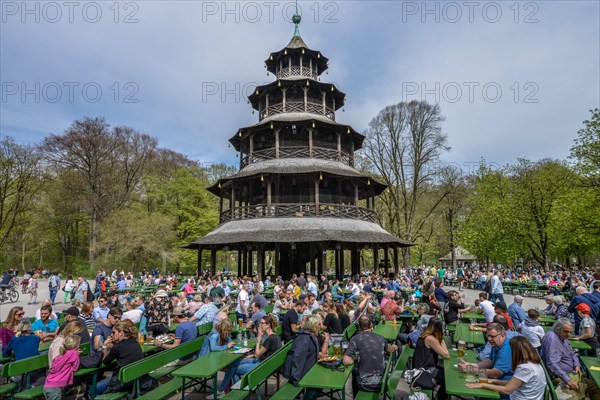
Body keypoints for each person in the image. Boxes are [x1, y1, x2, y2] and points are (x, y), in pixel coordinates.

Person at [466, 336, 546, 400]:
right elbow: (513, 383)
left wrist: (483, 385)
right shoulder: (534, 364)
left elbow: (507, 390)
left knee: (486, 395)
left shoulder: (525, 368)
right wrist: (492, 381)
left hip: (516, 397)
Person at [541, 318, 600, 399]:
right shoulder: (552, 339)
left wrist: (577, 364)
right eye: (566, 331)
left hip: (573, 374)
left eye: (570, 332)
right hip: (561, 377)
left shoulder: (562, 337)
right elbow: (552, 364)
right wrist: (568, 380)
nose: (569, 334)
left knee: (597, 388)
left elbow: (572, 352)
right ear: (558, 329)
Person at [222, 315, 282, 391]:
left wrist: (258, 339)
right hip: (267, 363)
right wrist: (252, 355)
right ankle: (237, 389)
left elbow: (257, 354)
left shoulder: (270, 339)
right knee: (235, 363)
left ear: (268, 325)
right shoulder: (275, 336)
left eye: (262, 323)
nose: (259, 325)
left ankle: (235, 392)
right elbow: (263, 353)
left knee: (234, 369)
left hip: (262, 366)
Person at [343, 315, 398, 396]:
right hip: (382, 383)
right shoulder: (381, 338)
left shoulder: (355, 339)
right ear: (371, 325)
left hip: (364, 385)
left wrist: (354, 360)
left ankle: (355, 397)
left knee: (354, 371)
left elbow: (346, 361)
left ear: (359, 327)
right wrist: (394, 347)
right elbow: (389, 350)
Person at [459, 323, 514, 396]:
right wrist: (470, 364)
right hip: (496, 381)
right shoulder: (497, 343)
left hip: (506, 388)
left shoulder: (506, 350)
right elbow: (490, 361)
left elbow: (496, 374)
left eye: (492, 336)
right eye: (488, 335)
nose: (489, 339)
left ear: (503, 336)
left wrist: (470, 369)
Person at [95, 321, 144, 395]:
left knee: (93, 389)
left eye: (114, 332)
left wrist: (104, 345)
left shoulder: (118, 346)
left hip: (122, 382)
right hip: (136, 378)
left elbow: (105, 362)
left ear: (121, 333)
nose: (111, 335)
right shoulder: (135, 342)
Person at [413, 317, 450, 399]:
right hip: (423, 371)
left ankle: (438, 396)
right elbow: (446, 355)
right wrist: (441, 338)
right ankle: (440, 397)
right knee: (448, 380)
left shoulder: (425, 334)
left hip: (421, 368)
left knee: (446, 373)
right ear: (438, 328)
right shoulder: (430, 339)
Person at [282, 315, 321, 387]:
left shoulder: (310, 336)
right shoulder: (305, 338)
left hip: (308, 371)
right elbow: (298, 358)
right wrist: (296, 380)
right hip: (302, 375)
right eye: (319, 324)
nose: (320, 326)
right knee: (319, 384)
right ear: (313, 325)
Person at [43, 335, 81, 400]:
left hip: (48, 385)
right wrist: (77, 355)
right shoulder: (74, 353)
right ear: (76, 346)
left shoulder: (61, 353)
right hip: (56, 388)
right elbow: (75, 367)